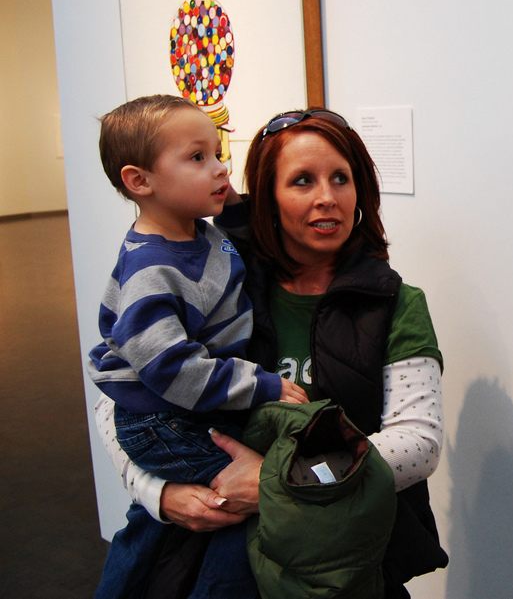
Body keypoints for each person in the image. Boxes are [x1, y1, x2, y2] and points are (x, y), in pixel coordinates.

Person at [95, 108, 448, 598]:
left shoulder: (394, 303)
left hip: (340, 563)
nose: (328, 197)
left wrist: (278, 481)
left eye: (341, 178)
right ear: (269, 197)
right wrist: (159, 493)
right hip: (192, 550)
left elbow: (418, 444)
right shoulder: (225, 281)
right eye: (302, 181)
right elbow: (119, 400)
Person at [89, 94, 308, 486]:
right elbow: (171, 367)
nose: (221, 169)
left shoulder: (199, 231)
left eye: (217, 153)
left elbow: (241, 242)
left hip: (192, 403)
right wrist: (261, 386)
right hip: (163, 418)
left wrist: (234, 204)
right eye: (197, 158)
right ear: (139, 180)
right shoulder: (151, 269)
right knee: (250, 496)